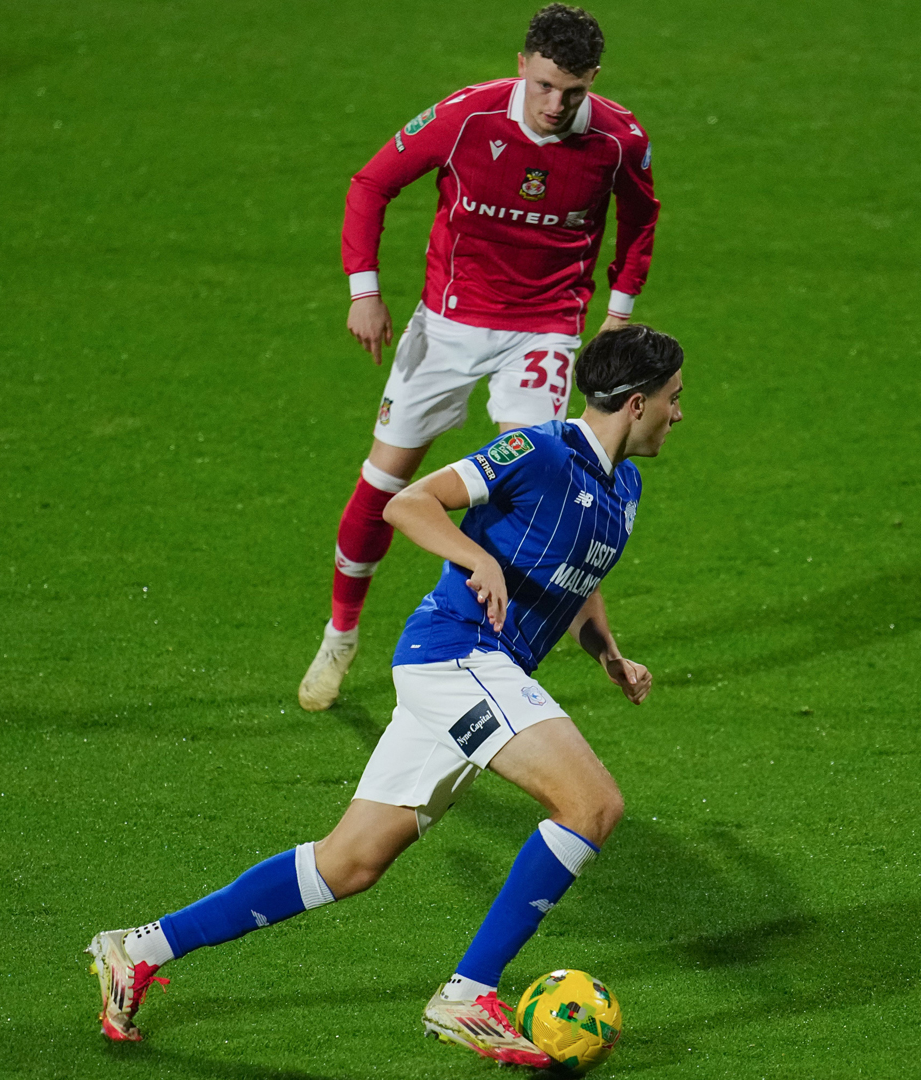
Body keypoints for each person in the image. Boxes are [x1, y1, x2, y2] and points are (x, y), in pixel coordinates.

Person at [89, 326, 685, 1066]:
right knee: (593, 805)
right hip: (457, 656)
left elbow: (580, 581)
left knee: (350, 864)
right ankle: (468, 995)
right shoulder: (538, 451)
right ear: (635, 403)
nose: (677, 414)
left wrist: (608, 654)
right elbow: (410, 503)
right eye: (672, 399)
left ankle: (137, 947)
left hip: (486, 672)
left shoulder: (622, 488)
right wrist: (475, 558)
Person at [299, 2, 661, 711]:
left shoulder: (620, 139)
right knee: (382, 483)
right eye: (546, 85)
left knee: (541, 479)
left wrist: (618, 308)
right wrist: (363, 290)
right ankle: (342, 633)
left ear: (594, 81)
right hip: (448, 324)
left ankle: (500, 644)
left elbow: (641, 218)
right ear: (522, 64)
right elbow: (371, 184)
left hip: (546, 329)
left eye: (575, 91)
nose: (557, 105)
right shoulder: (465, 117)